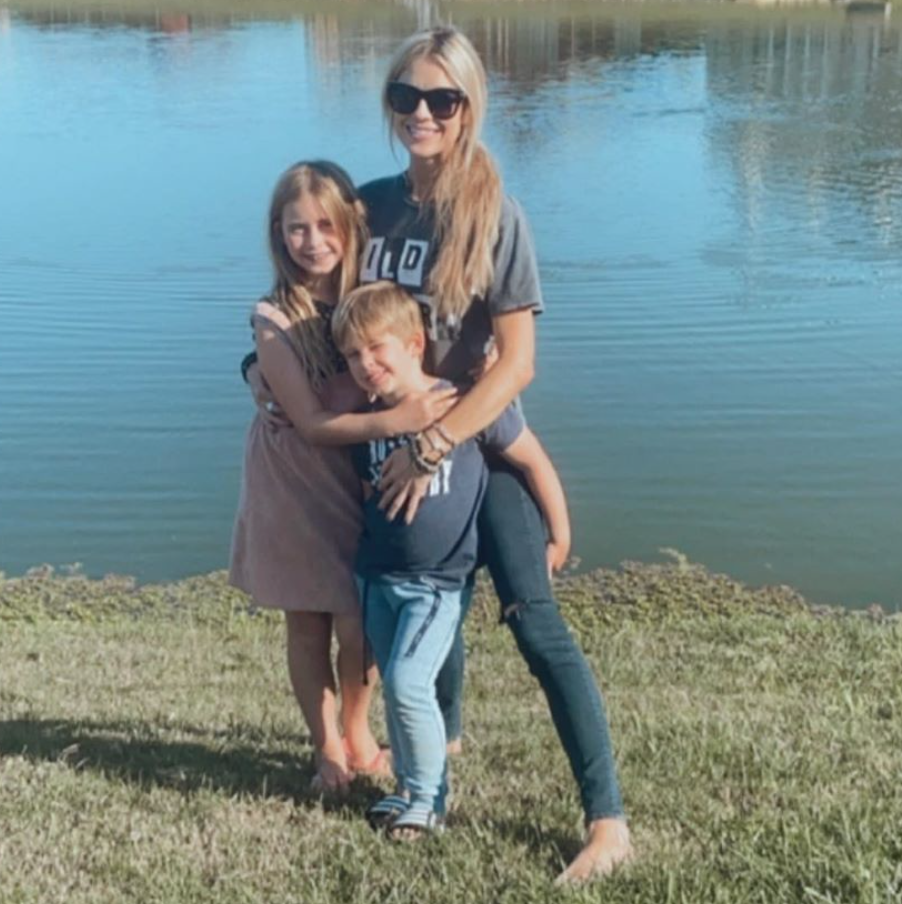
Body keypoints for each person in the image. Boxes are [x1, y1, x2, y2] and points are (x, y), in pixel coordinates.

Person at [357, 27, 634, 880]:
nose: (423, 113)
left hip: (480, 453)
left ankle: (608, 822)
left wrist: (437, 437)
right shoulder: (368, 205)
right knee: (412, 593)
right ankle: (447, 733)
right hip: (387, 453)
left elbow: (517, 362)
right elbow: (310, 300)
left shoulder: (495, 216)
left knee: (537, 624)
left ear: (471, 106)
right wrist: (263, 357)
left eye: (443, 99)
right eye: (408, 96)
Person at [229, 161, 454, 794]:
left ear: (352, 226)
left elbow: (422, 348)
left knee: (364, 616)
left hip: (363, 478)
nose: (313, 241)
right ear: (277, 234)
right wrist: (401, 421)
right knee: (308, 619)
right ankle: (327, 745)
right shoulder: (273, 316)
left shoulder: (374, 297)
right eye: (296, 228)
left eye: (326, 225)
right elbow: (311, 422)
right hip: (294, 479)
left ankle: (358, 728)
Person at [331, 280, 571, 839]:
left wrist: (558, 533)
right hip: (378, 581)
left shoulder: (467, 404)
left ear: (415, 344)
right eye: (351, 355)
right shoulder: (368, 423)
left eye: (376, 348)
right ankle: (412, 787)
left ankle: (432, 799)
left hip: (438, 585)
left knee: (412, 683)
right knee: (396, 684)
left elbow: (534, 462)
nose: (364, 364)